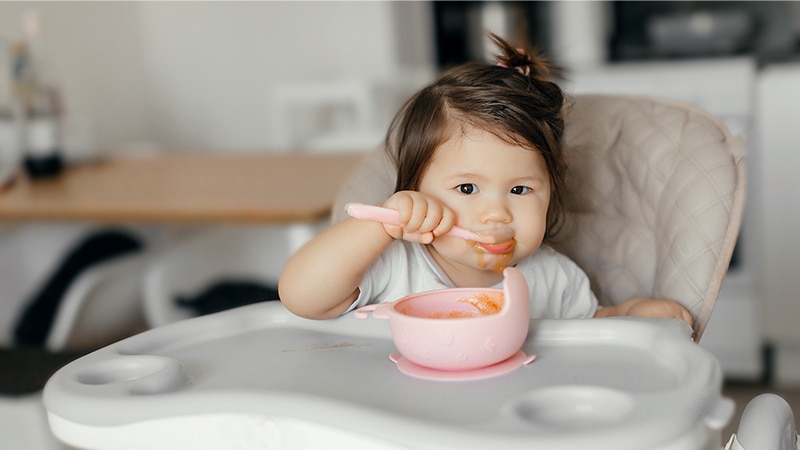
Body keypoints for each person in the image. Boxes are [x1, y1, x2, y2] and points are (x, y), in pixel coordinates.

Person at [279, 33, 694, 328]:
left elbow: (587, 331)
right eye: (466, 189)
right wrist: (381, 225)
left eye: (520, 190)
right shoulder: (391, 264)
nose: (496, 212)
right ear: (414, 190)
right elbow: (301, 297)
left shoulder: (552, 278)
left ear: (551, 194)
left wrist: (626, 316)